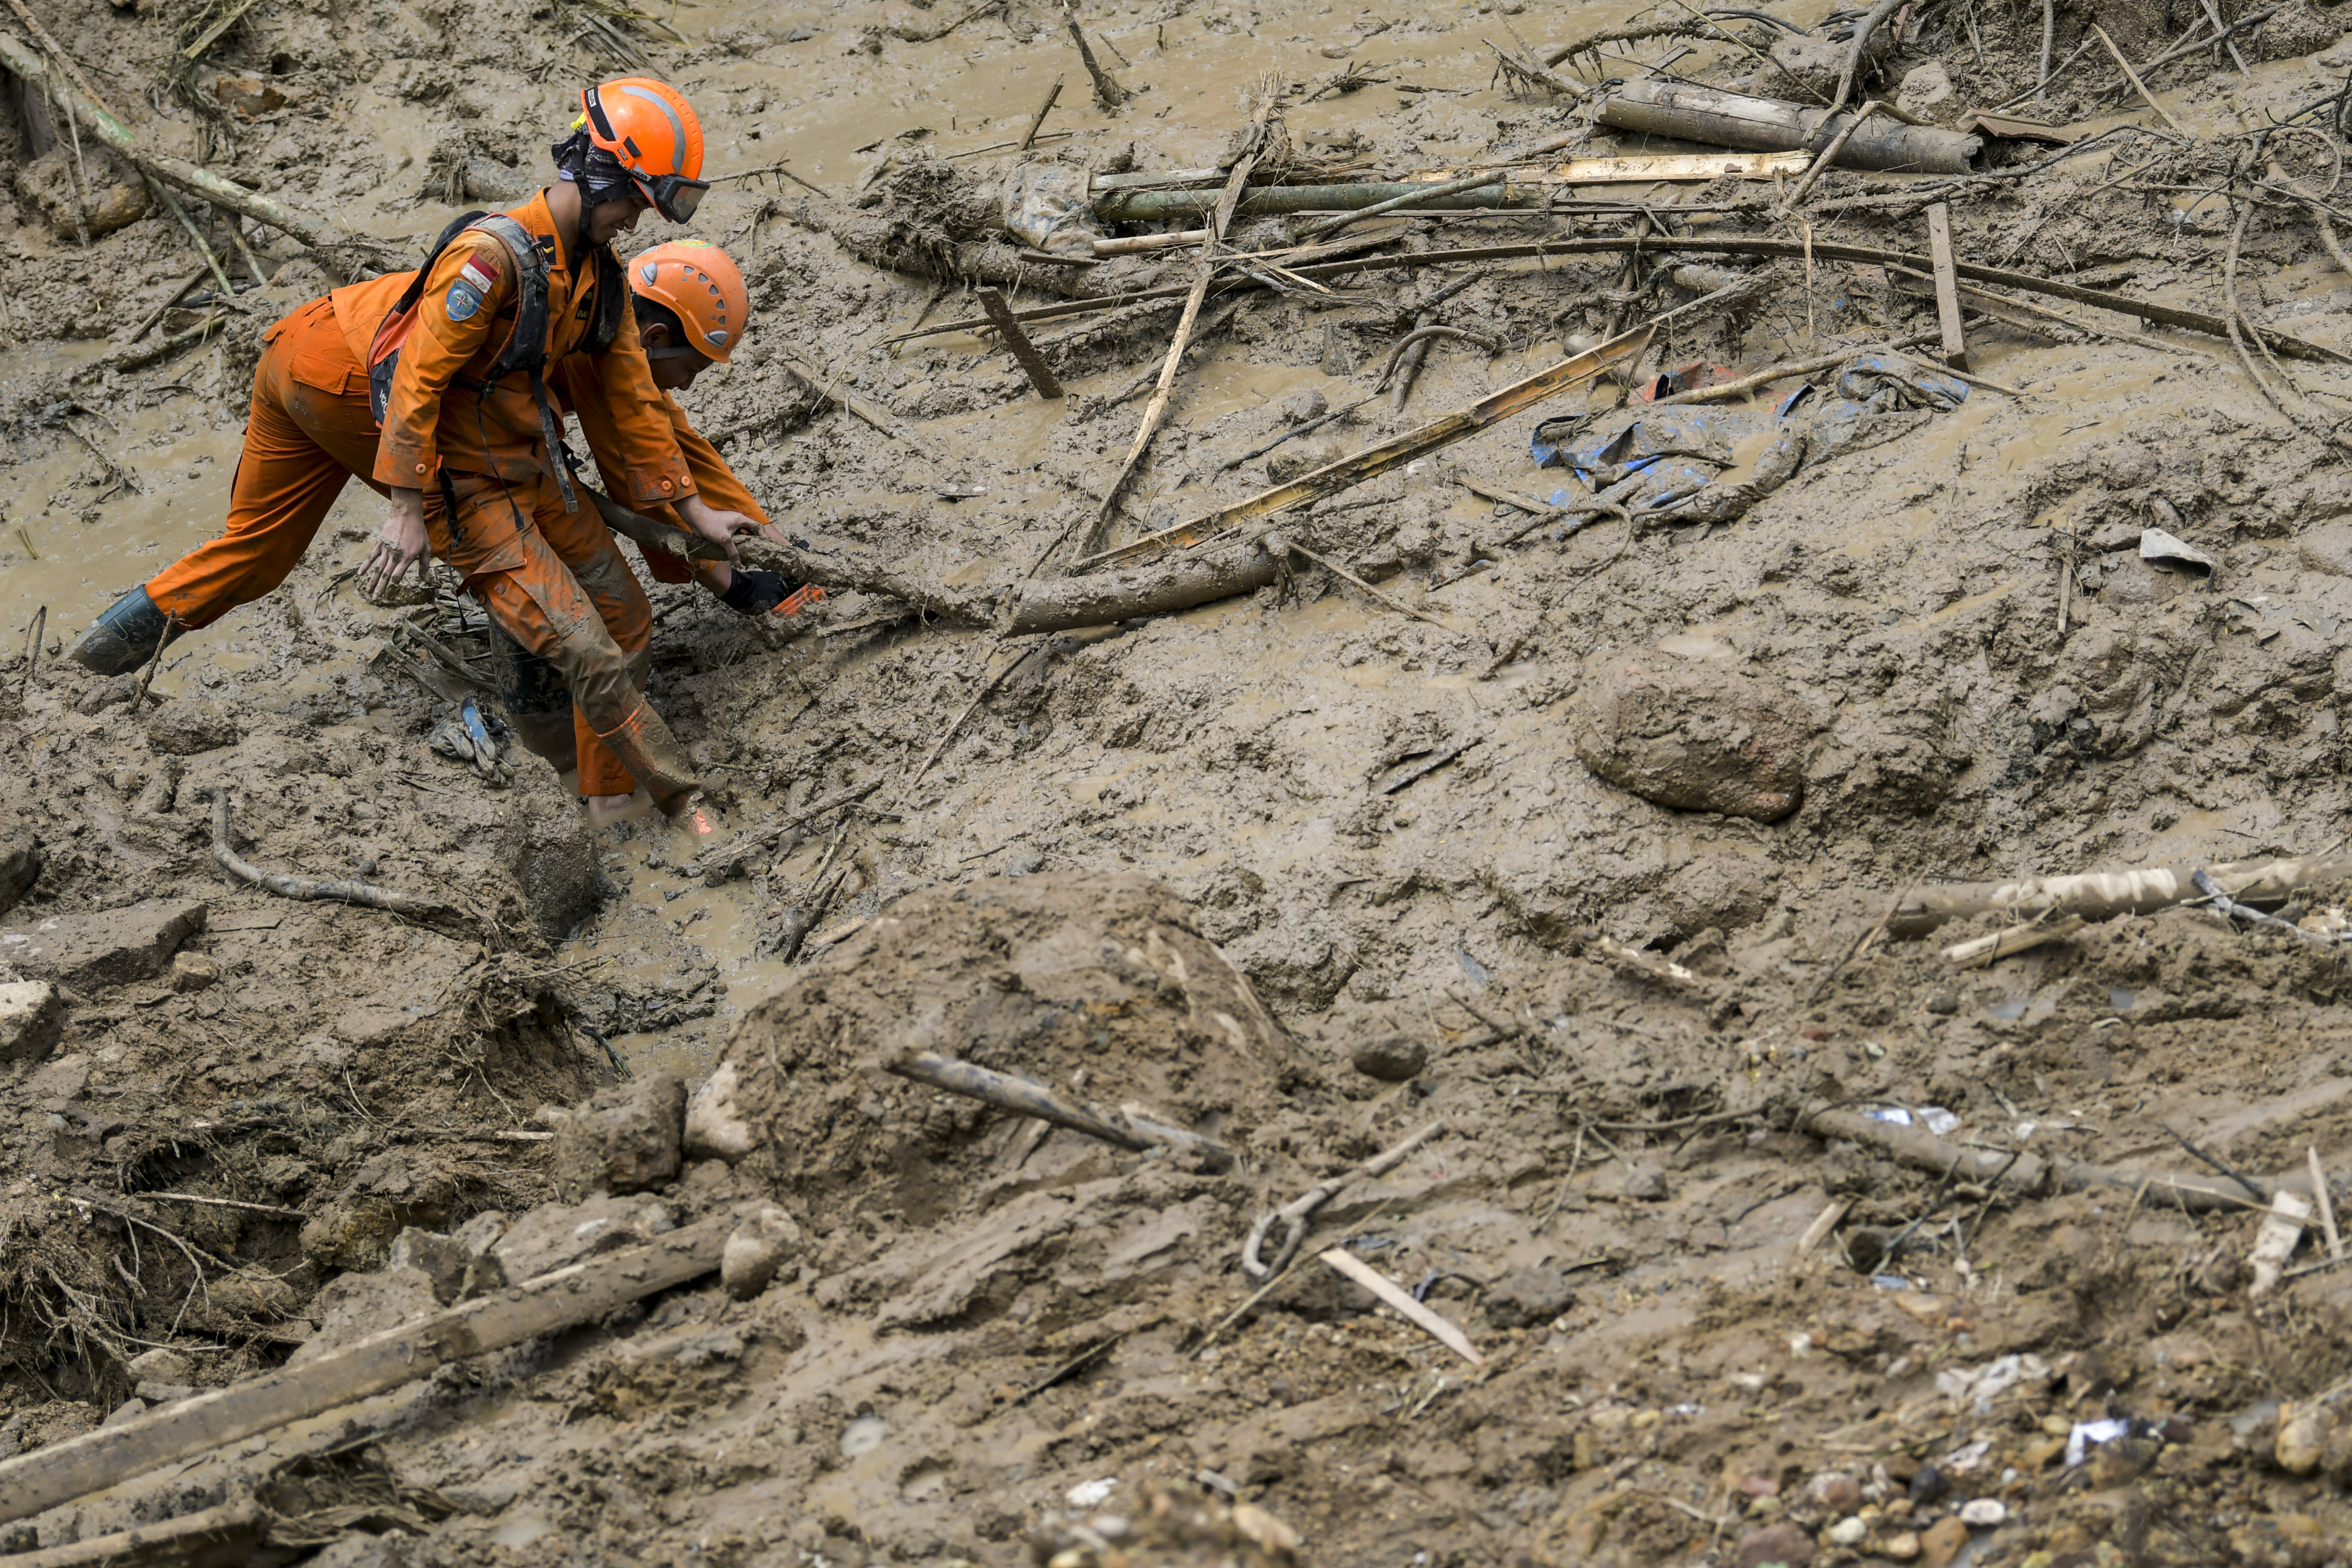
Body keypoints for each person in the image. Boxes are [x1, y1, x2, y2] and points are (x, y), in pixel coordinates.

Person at [71, 76, 743, 837]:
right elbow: (415, 376)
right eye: (630, 203)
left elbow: (631, 403)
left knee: (261, 555)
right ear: (596, 177)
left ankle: (90, 666)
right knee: (485, 537)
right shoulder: (494, 259)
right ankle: (599, 779)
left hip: (338, 360)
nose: (632, 222)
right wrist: (405, 508)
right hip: (343, 382)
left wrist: (692, 511)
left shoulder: (598, 275)